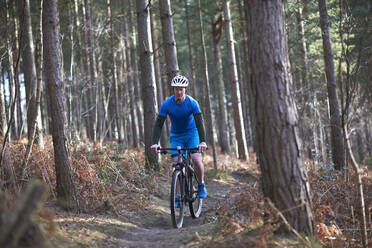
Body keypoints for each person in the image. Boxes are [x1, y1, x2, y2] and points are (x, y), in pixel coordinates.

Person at [151, 75, 207, 200]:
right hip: (176, 136)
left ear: (185, 89)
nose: (179, 92)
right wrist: (155, 142)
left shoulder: (192, 103)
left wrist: (202, 141)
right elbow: (159, 124)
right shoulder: (167, 104)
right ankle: (177, 195)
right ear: (173, 90)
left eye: (181, 89)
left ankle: (201, 184)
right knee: (177, 165)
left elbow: (200, 123)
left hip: (192, 134)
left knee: (196, 159)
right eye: (176, 89)